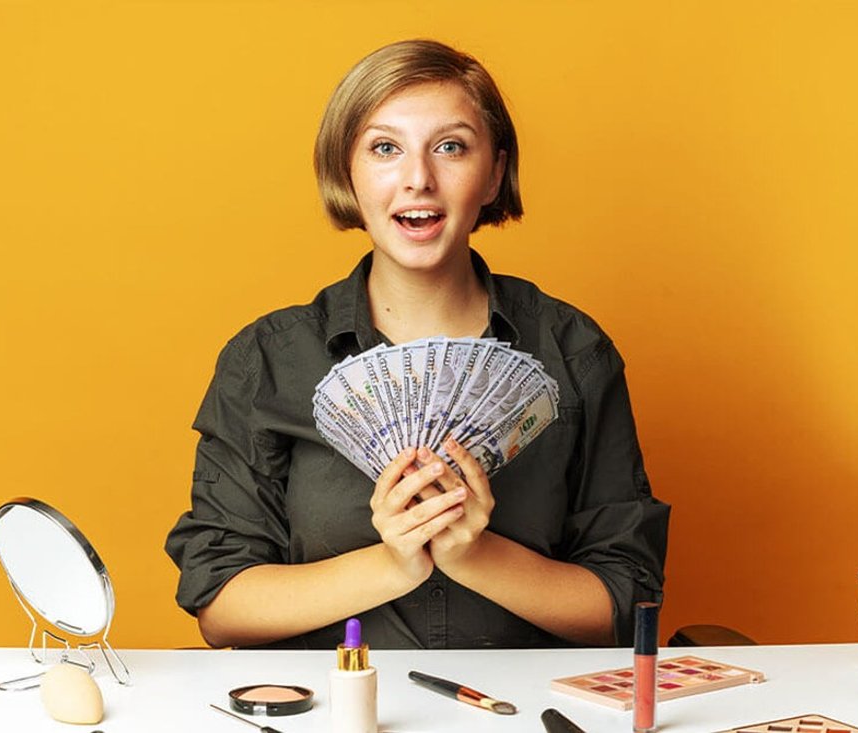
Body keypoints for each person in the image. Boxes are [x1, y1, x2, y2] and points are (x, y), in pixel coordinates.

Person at [164, 39, 668, 649]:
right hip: (335, 708)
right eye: (385, 149)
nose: (418, 180)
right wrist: (393, 563)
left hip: (520, 712)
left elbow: (624, 601)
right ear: (346, 173)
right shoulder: (267, 359)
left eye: (450, 147)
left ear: (495, 174)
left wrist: (475, 555)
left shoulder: (574, 351)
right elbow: (220, 607)